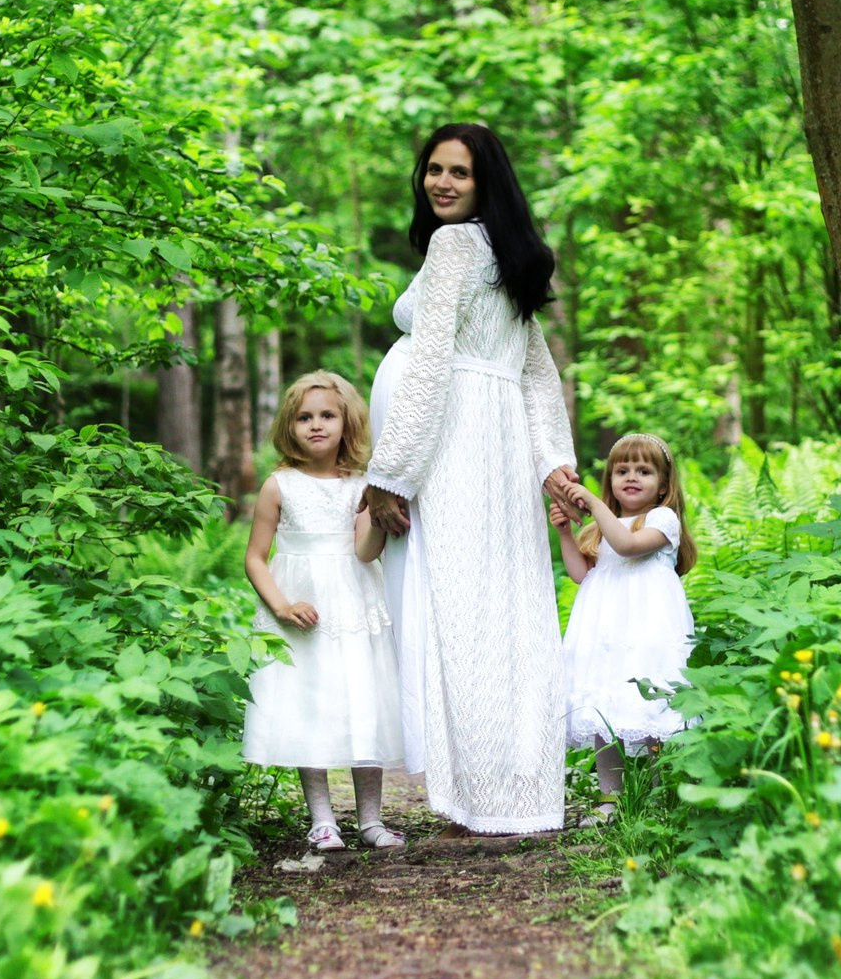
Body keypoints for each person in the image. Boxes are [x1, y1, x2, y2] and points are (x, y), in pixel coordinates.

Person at [364, 124, 581, 834]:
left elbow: (430, 365)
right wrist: (551, 462)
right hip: (500, 446)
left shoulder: (455, 245)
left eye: (460, 172)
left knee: (461, 613)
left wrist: (391, 473)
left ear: (487, 183)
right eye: (433, 169)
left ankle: (480, 793)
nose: (443, 182)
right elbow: (538, 377)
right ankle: (522, 786)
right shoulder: (505, 253)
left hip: (455, 444)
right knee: (511, 610)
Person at [241, 371, 406, 851]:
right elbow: (255, 556)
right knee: (306, 702)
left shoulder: (361, 485)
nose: (316, 425)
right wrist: (282, 605)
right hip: (300, 607)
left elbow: (365, 552)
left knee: (363, 699)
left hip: (354, 600)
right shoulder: (279, 485)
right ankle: (322, 819)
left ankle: (371, 819)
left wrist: (378, 513)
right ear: (288, 427)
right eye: (304, 417)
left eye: (327, 416)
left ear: (347, 422)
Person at [554, 433, 698, 826]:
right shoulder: (604, 524)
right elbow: (581, 574)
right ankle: (609, 798)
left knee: (648, 702)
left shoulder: (662, 519)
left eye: (643, 470)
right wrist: (567, 532)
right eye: (621, 470)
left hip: (647, 625)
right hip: (606, 627)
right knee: (605, 705)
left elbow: (629, 547)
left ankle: (652, 791)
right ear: (611, 479)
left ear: (664, 485)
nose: (631, 477)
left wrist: (594, 502)